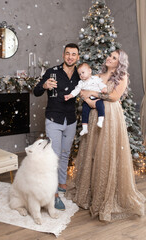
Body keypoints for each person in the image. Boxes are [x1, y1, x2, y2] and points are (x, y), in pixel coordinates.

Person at [66, 50, 145, 221]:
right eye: (109, 55)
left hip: (112, 116)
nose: (109, 58)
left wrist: (94, 96)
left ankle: (105, 196)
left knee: (106, 151)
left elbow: (115, 96)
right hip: (95, 115)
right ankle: (91, 195)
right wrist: (89, 100)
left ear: (119, 62)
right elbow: (84, 91)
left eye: (114, 57)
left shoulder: (122, 76)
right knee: (93, 152)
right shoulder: (98, 75)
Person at [33, 43, 80, 210]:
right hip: (54, 119)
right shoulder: (52, 72)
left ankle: (62, 184)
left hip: (71, 120)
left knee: (65, 154)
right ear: (63, 55)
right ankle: (53, 195)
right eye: (68, 54)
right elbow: (36, 91)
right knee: (54, 157)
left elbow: (90, 89)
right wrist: (44, 86)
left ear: (78, 57)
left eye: (73, 54)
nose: (70, 57)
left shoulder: (80, 75)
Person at [64, 63, 107, 135]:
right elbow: (77, 90)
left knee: (101, 106)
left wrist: (104, 88)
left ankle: (100, 120)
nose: (81, 75)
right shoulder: (81, 82)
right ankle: (84, 128)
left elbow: (101, 84)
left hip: (97, 97)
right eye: (80, 74)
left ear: (90, 71)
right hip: (87, 99)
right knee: (84, 112)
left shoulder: (95, 79)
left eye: (83, 72)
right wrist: (70, 95)